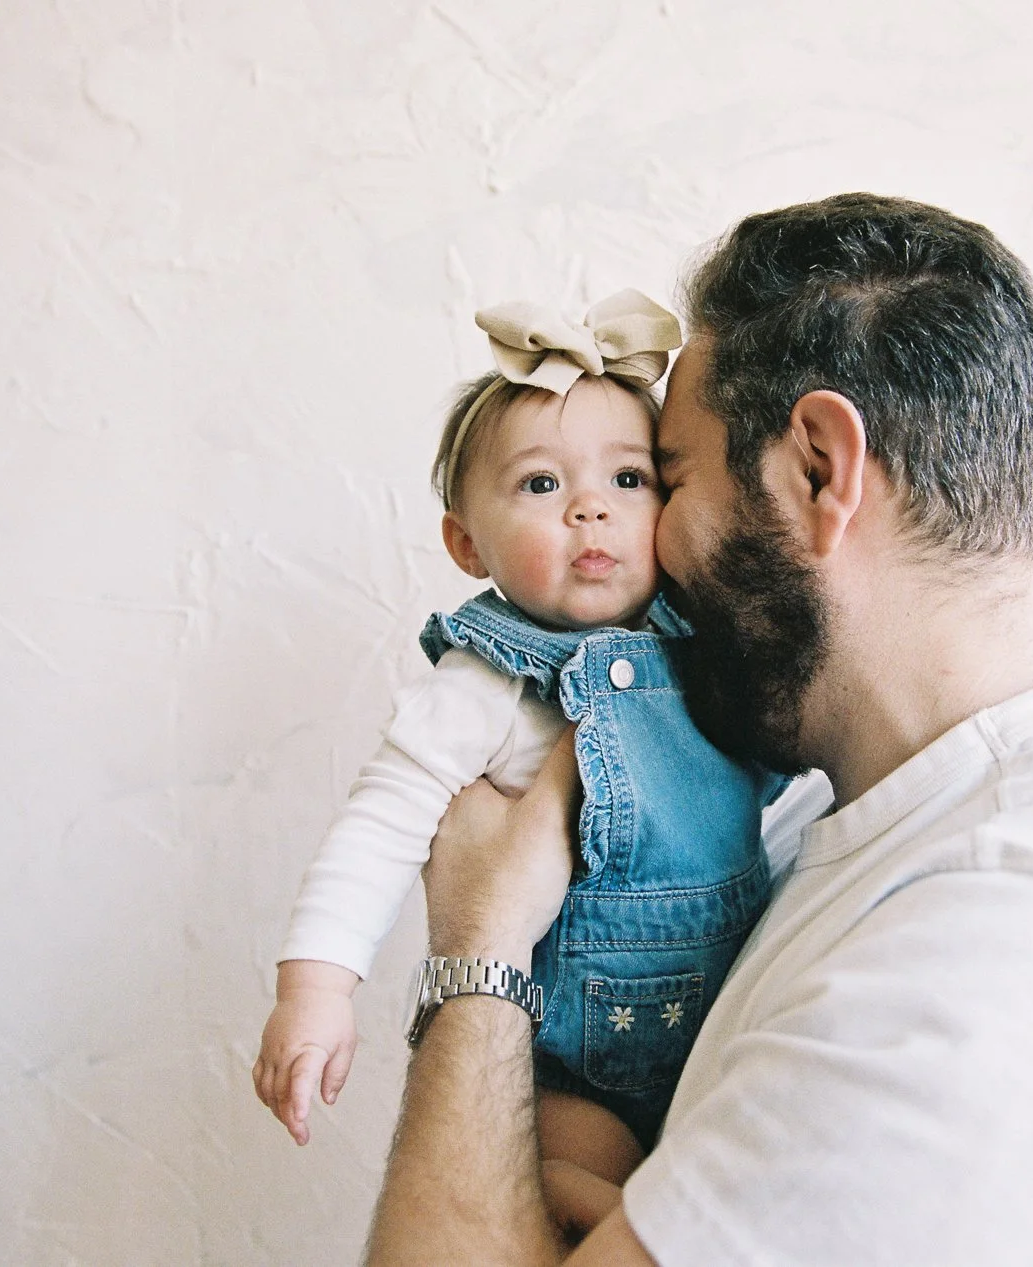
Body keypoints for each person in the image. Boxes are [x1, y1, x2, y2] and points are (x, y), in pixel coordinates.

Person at [364, 193, 1033, 1265]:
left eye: (663, 481)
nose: (642, 545)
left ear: (818, 468)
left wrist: (480, 950)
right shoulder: (887, 836)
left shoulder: (981, 966)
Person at [252, 290, 791, 1195]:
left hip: (736, 1019)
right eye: (543, 485)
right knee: (573, 1194)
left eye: (628, 480)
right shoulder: (486, 683)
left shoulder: (705, 642)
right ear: (468, 545)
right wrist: (316, 987)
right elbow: (379, 825)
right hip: (581, 1059)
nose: (592, 510)